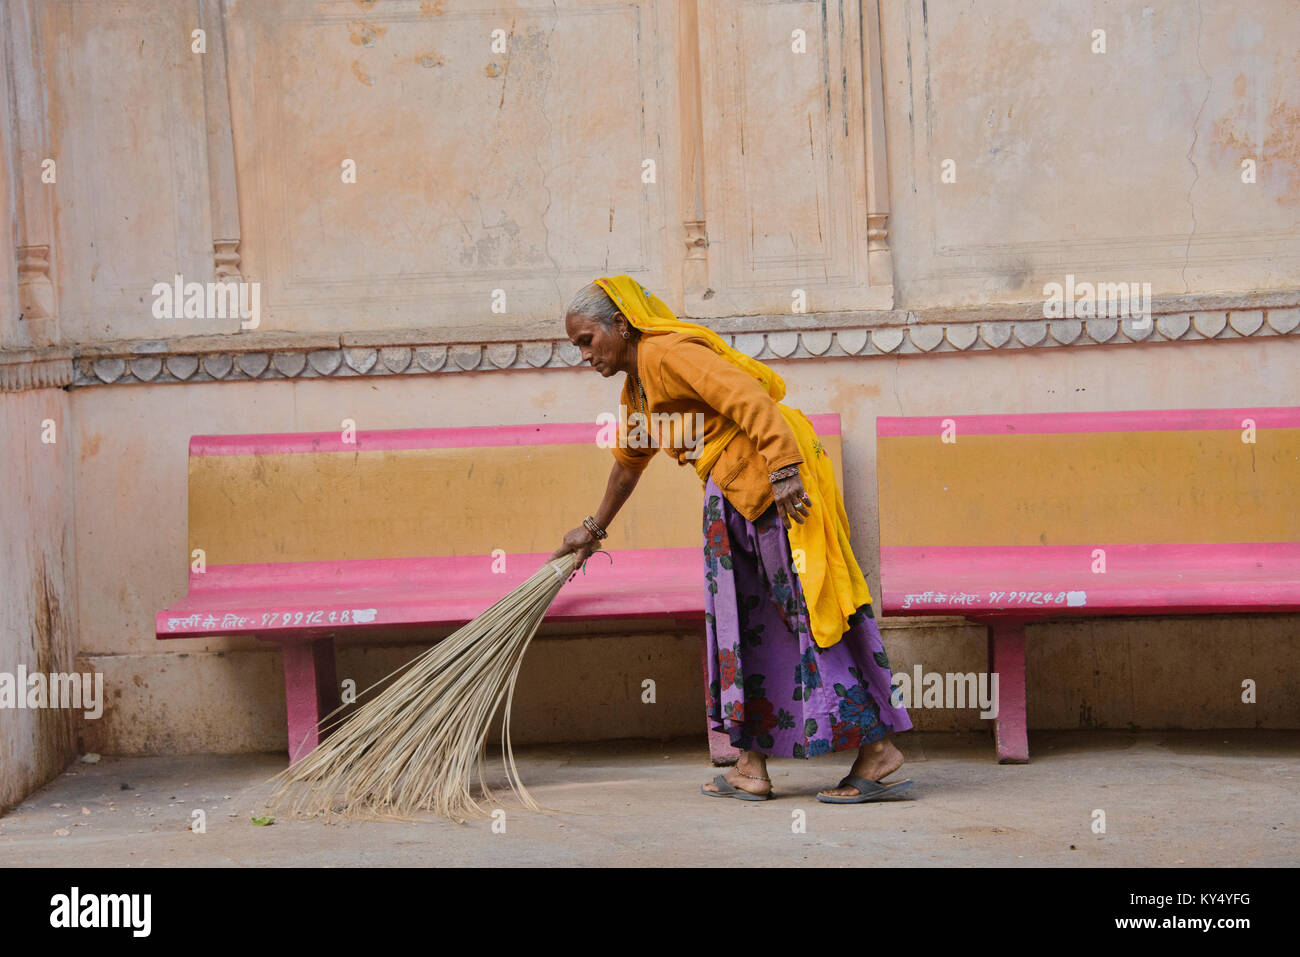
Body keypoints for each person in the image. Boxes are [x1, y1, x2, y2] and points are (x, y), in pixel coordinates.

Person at [550, 276, 913, 803]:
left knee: (804, 610)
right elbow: (628, 466)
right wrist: (592, 529)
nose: (583, 354)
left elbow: (746, 396)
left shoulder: (666, 353)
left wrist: (785, 470)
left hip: (773, 486)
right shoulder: (637, 389)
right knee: (747, 623)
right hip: (734, 497)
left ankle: (879, 755)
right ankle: (750, 764)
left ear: (621, 325)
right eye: (577, 346)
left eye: (587, 340)